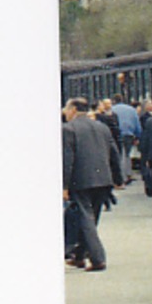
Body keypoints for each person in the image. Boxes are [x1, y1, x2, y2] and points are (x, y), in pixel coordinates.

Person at [62, 97, 123, 271]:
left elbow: (68, 159)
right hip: (103, 179)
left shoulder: (68, 129)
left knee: (85, 218)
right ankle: (79, 255)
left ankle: (97, 258)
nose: (65, 112)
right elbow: (114, 153)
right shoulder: (102, 127)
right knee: (91, 218)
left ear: (73, 109)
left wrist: (64, 186)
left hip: (80, 180)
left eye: (66, 109)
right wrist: (118, 178)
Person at [112, 98, 140, 184]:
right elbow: (137, 124)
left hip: (117, 134)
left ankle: (121, 176)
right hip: (129, 134)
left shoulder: (112, 109)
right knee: (127, 154)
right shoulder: (131, 109)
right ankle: (128, 173)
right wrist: (138, 136)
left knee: (119, 155)